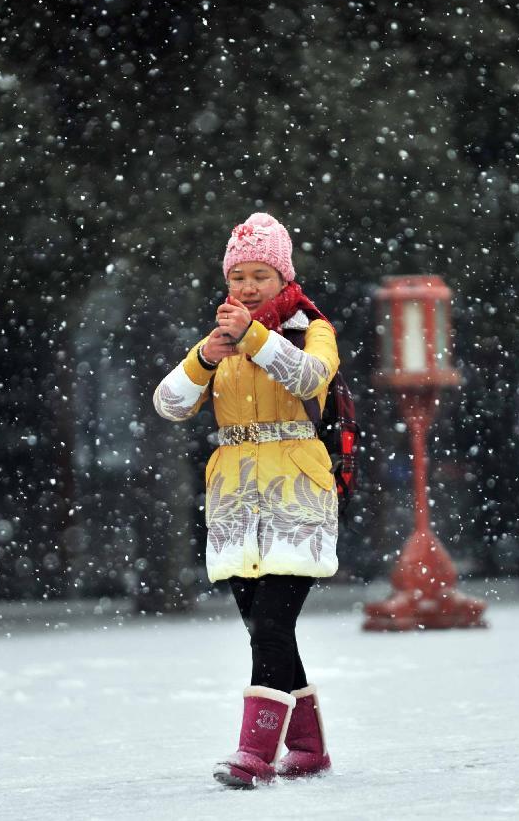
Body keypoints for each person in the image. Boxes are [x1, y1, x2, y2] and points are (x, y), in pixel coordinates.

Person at [153, 212, 340, 789]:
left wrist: (253, 338)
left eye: (261, 274)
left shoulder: (311, 327)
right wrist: (206, 357)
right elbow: (169, 403)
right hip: (236, 499)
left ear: (284, 278)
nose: (248, 287)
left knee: (271, 623)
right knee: (263, 627)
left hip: (298, 492)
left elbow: (311, 378)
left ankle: (253, 752)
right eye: (239, 276)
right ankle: (307, 747)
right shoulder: (221, 340)